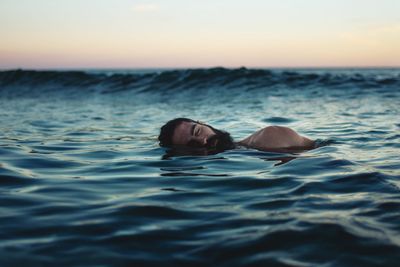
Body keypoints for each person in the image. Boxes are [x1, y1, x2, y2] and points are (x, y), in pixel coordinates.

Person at [158, 118, 315, 154]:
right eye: (193, 144)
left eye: (198, 131)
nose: (203, 140)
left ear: (205, 124)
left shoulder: (271, 136)